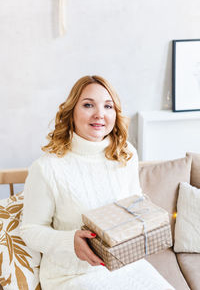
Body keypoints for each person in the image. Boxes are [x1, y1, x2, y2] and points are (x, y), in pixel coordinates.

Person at [20, 75, 174, 290]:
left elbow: (135, 203)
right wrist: (70, 242)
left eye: (108, 106)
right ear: (71, 112)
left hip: (126, 265)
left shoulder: (125, 153)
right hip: (72, 276)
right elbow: (30, 230)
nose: (99, 114)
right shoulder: (47, 168)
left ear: (115, 113)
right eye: (88, 105)